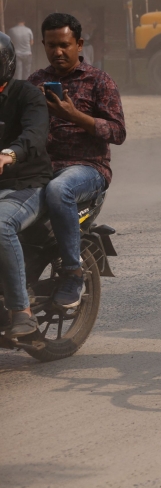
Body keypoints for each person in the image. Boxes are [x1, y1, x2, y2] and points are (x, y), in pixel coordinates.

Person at [28, 13, 126, 309]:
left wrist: (75, 116)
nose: (57, 51)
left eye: (64, 45)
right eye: (51, 45)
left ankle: (73, 272)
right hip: (40, 168)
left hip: (87, 168)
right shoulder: (35, 82)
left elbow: (118, 132)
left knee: (59, 190)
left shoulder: (99, 81)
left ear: (79, 44)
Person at [0, 33, 53, 338]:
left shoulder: (28, 95)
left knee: (1, 224)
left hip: (26, 184)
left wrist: (9, 154)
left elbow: (34, 134)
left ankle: (22, 310)